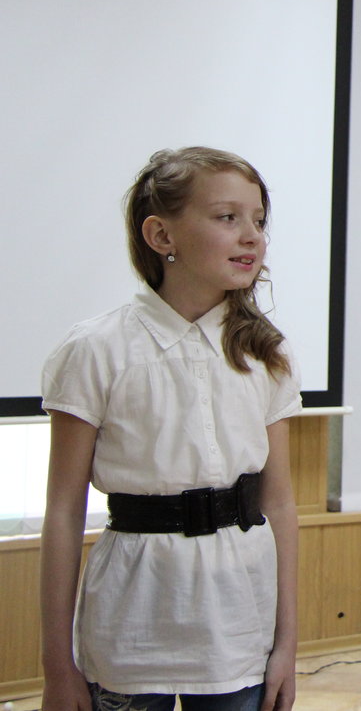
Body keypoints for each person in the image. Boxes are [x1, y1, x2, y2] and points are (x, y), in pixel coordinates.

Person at [40, 148, 301, 711]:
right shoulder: (95, 349)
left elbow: (279, 504)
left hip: (239, 626)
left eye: (259, 220)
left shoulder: (267, 354)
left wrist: (287, 645)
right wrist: (56, 665)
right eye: (227, 217)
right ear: (161, 236)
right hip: (131, 626)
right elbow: (63, 511)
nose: (252, 236)